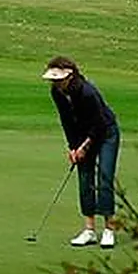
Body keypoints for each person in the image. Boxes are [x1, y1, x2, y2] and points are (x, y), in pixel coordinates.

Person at [42, 55, 121, 248]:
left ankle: (109, 229)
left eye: (59, 79)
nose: (56, 83)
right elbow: (67, 122)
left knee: (104, 178)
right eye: (53, 80)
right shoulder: (57, 93)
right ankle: (89, 230)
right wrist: (72, 148)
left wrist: (85, 146)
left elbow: (99, 125)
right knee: (85, 178)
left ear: (70, 76)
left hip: (106, 133)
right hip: (83, 135)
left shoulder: (87, 92)